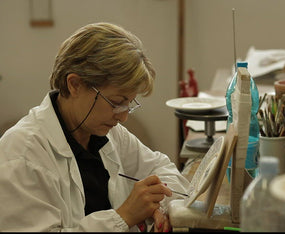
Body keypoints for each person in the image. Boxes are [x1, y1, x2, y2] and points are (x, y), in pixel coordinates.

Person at [0, 22, 190, 232]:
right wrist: (123, 216)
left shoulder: (107, 134)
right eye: (117, 102)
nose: (124, 116)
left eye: (129, 104)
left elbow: (162, 169)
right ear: (75, 84)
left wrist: (162, 208)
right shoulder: (22, 154)